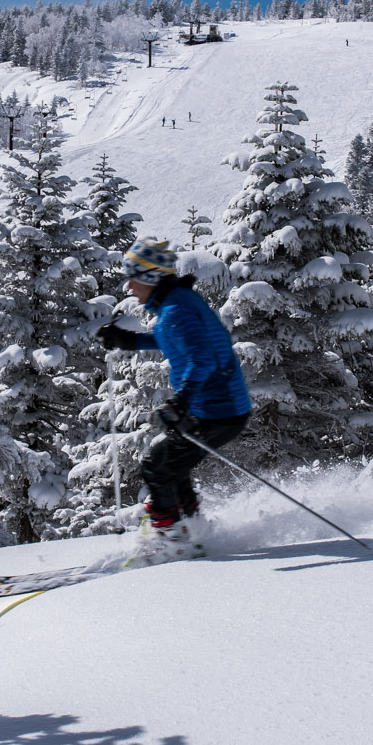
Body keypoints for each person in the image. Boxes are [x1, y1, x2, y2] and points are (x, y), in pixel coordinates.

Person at [96, 238, 251, 559]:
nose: (129, 285)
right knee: (169, 466)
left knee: (157, 467)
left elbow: (202, 359)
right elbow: (174, 339)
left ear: (151, 277)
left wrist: (182, 401)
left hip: (217, 411)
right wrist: (129, 341)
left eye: (133, 277)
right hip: (215, 408)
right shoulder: (175, 304)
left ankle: (172, 541)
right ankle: (191, 530)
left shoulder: (176, 308)